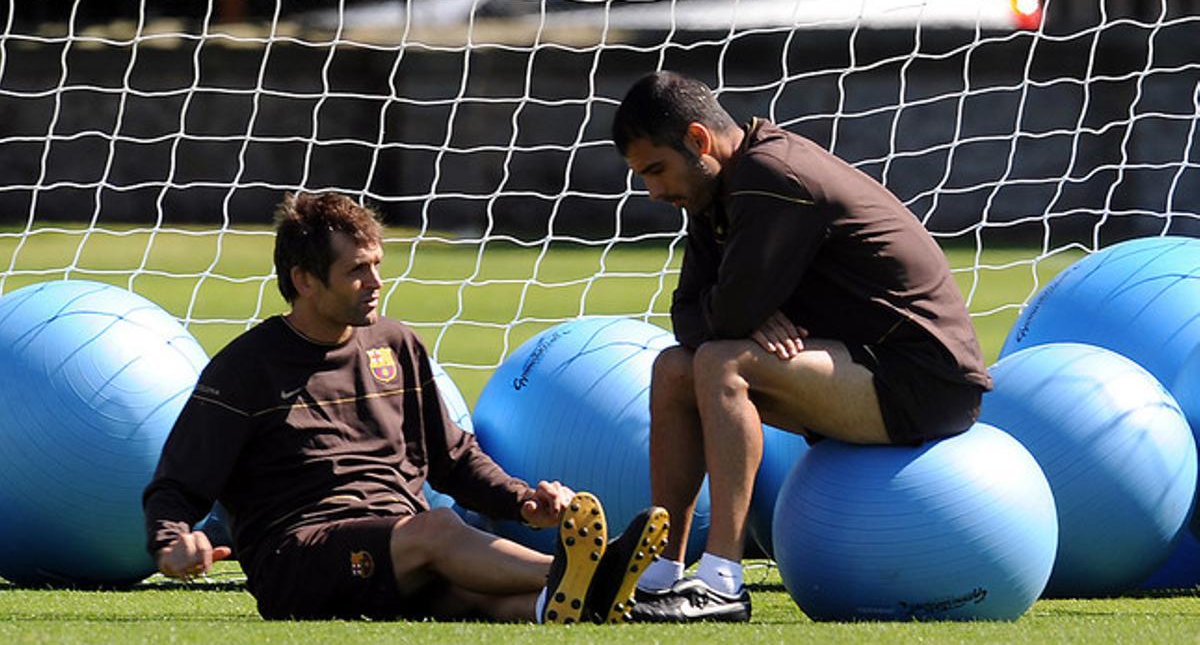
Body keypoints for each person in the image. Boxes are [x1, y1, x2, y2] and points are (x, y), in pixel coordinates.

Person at [143, 191, 669, 623]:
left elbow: (453, 457)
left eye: (376, 265)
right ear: (304, 280)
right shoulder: (243, 369)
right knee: (438, 531)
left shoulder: (395, 345)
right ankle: (593, 573)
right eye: (356, 271)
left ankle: (593, 602)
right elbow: (177, 483)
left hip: (401, 546)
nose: (375, 283)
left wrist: (523, 502)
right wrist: (171, 545)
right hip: (300, 562)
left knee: (475, 594)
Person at [610, 71, 993, 622]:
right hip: (854, 364)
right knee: (674, 368)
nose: (653, 191)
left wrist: (741, 317)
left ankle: (721, 582)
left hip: (925, 381)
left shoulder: (771, 175)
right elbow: (687, 314)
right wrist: (739, 316)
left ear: (698, 140)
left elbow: (726, 318)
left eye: (655, 170)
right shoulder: (712, 192)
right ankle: (660, 575)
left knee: (723, 361)